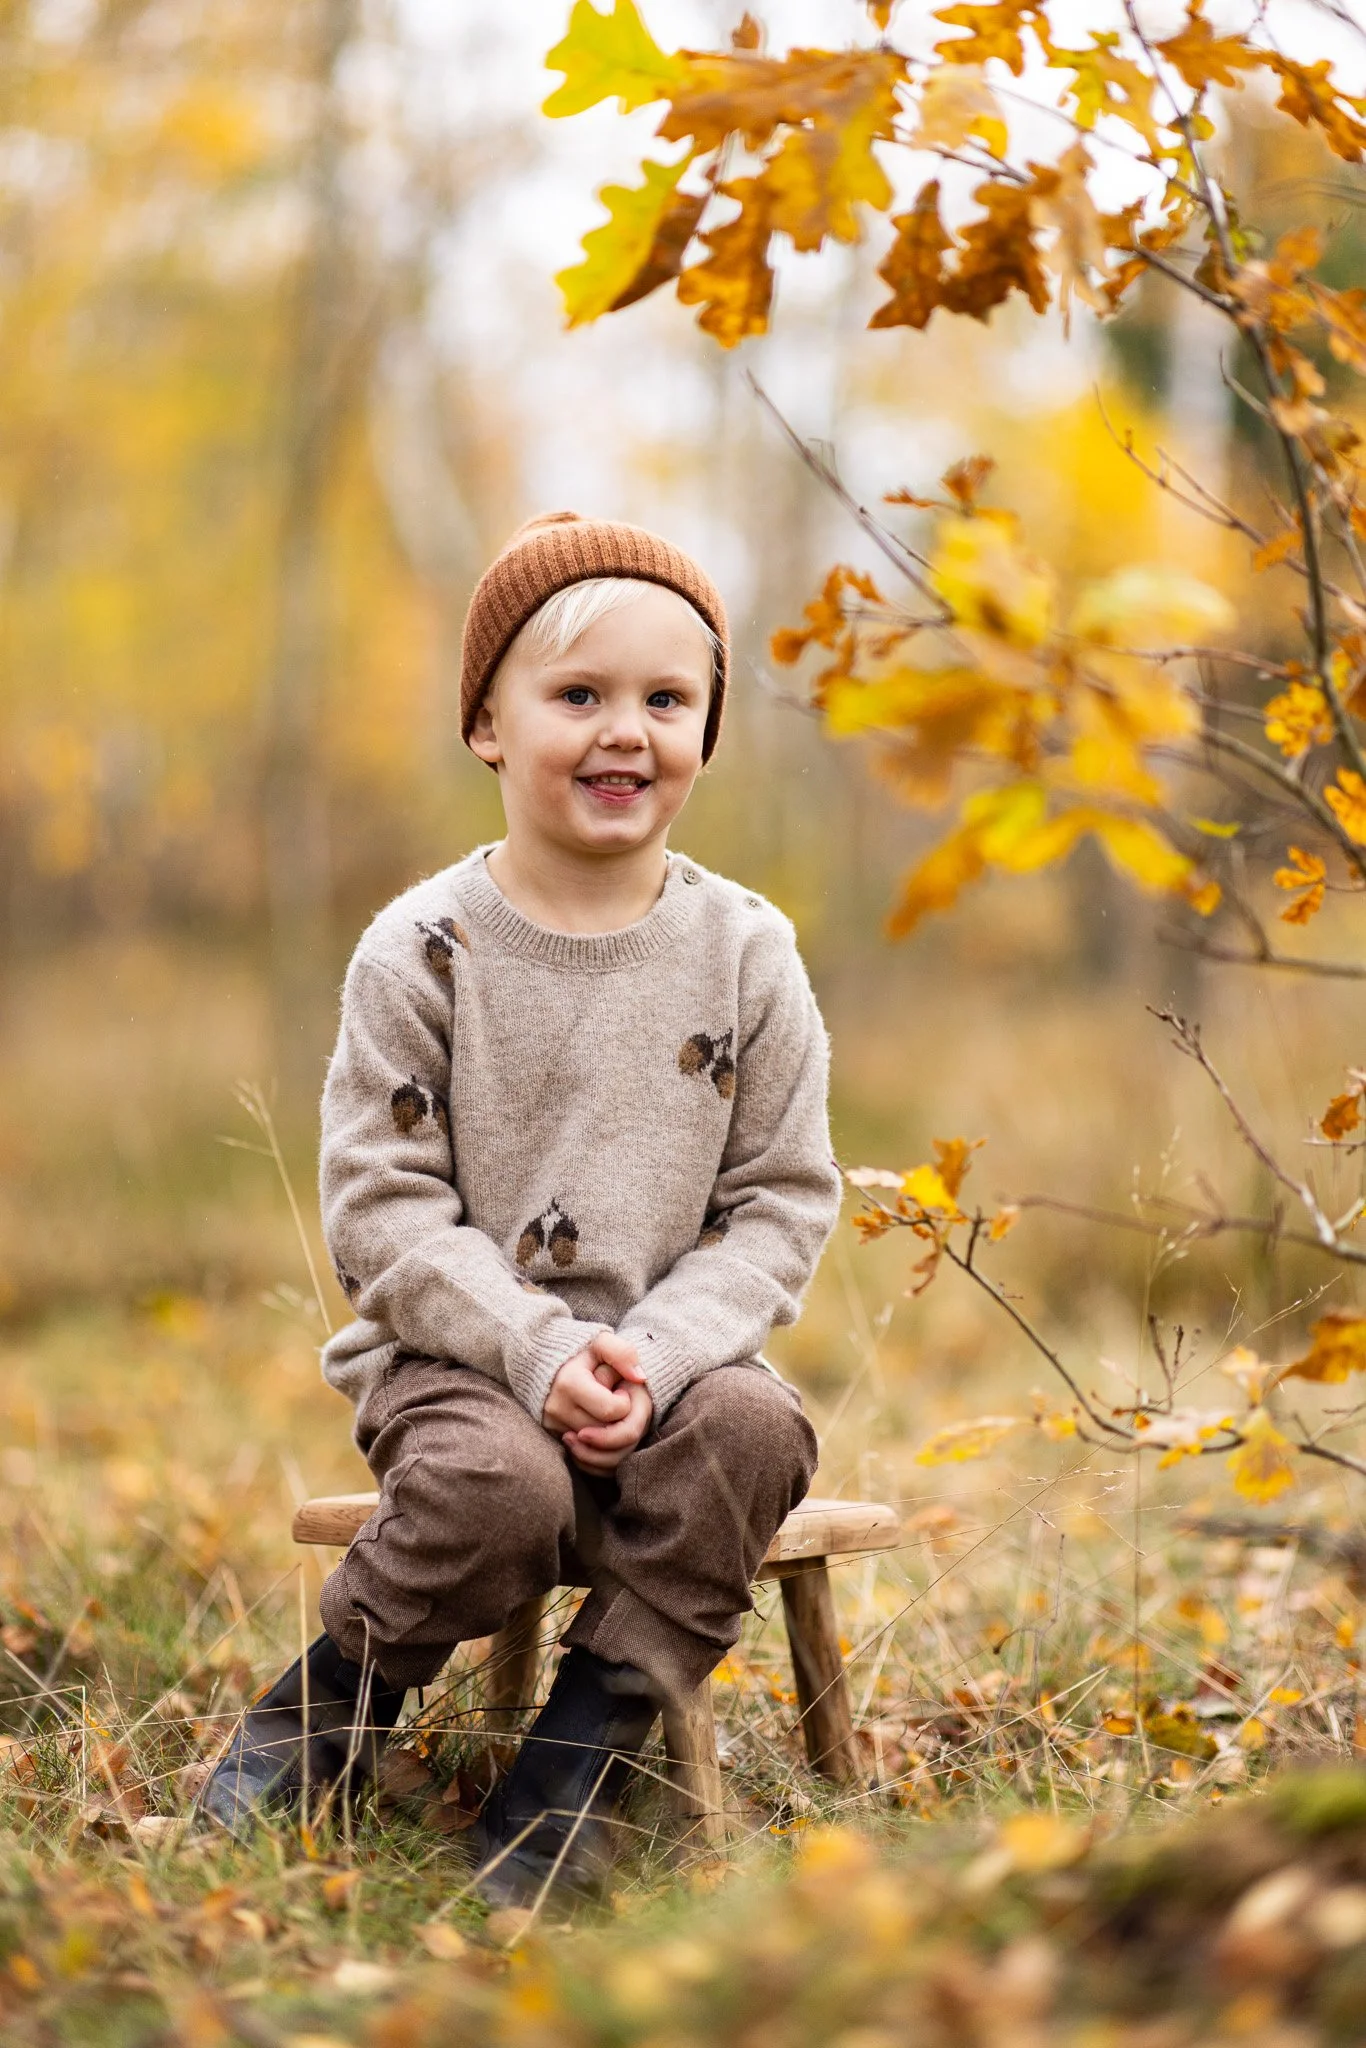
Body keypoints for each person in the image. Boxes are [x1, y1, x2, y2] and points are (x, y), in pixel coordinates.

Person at [198, 511, 842, 1903]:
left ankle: (579, 1755)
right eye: (578, 695)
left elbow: (780, 1200)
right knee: (499, 1486)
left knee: (757, 1430)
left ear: (707, 728)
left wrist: (654, 1355)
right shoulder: (419, 949)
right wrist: (539, 1351)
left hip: (678, 1372)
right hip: (464, 1366)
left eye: (666, 700)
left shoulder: (747, 951)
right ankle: (327, 1709)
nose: (626, 733)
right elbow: (382, 1211)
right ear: (487, 724)